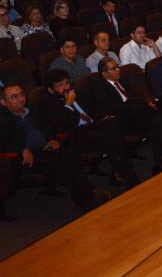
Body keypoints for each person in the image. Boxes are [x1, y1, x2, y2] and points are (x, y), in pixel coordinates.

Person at [0, 83, 106, 212]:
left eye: (21, 94)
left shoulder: (31, 109)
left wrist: (52, 139)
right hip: (23, 158)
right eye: (14, 97)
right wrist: (21, 149)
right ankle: (85, 200)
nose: (20, 98)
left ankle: (88, 194)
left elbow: (47, 127)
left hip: (45, 149)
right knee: (60, 165)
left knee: (71, 156)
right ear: (3, 102)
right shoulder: (3, 118)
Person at [38, 69, 138, 187]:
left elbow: (93, 110)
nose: (65, 87)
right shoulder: (48, 102)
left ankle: (122, 174)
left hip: (92, 125)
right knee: (112, 137)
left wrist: (104, 118)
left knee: (112, 124)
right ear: (51, 89)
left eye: (66, 83)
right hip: (74, 134)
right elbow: (62, 125)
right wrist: (68, 104)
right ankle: (121, 174)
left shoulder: (76, 91)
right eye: (60, 85)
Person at [90, 57, 162, 175]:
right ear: (104, 73)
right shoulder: (99, 88)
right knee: (142, 108)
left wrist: (145, 103)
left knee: (156, 118)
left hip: (135, 114)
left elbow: (136, 96)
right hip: (120, 120)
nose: (118, 70)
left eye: (117, 66)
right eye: (114, 69)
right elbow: (111, 109)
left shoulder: (123, 80)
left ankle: (159, 161)